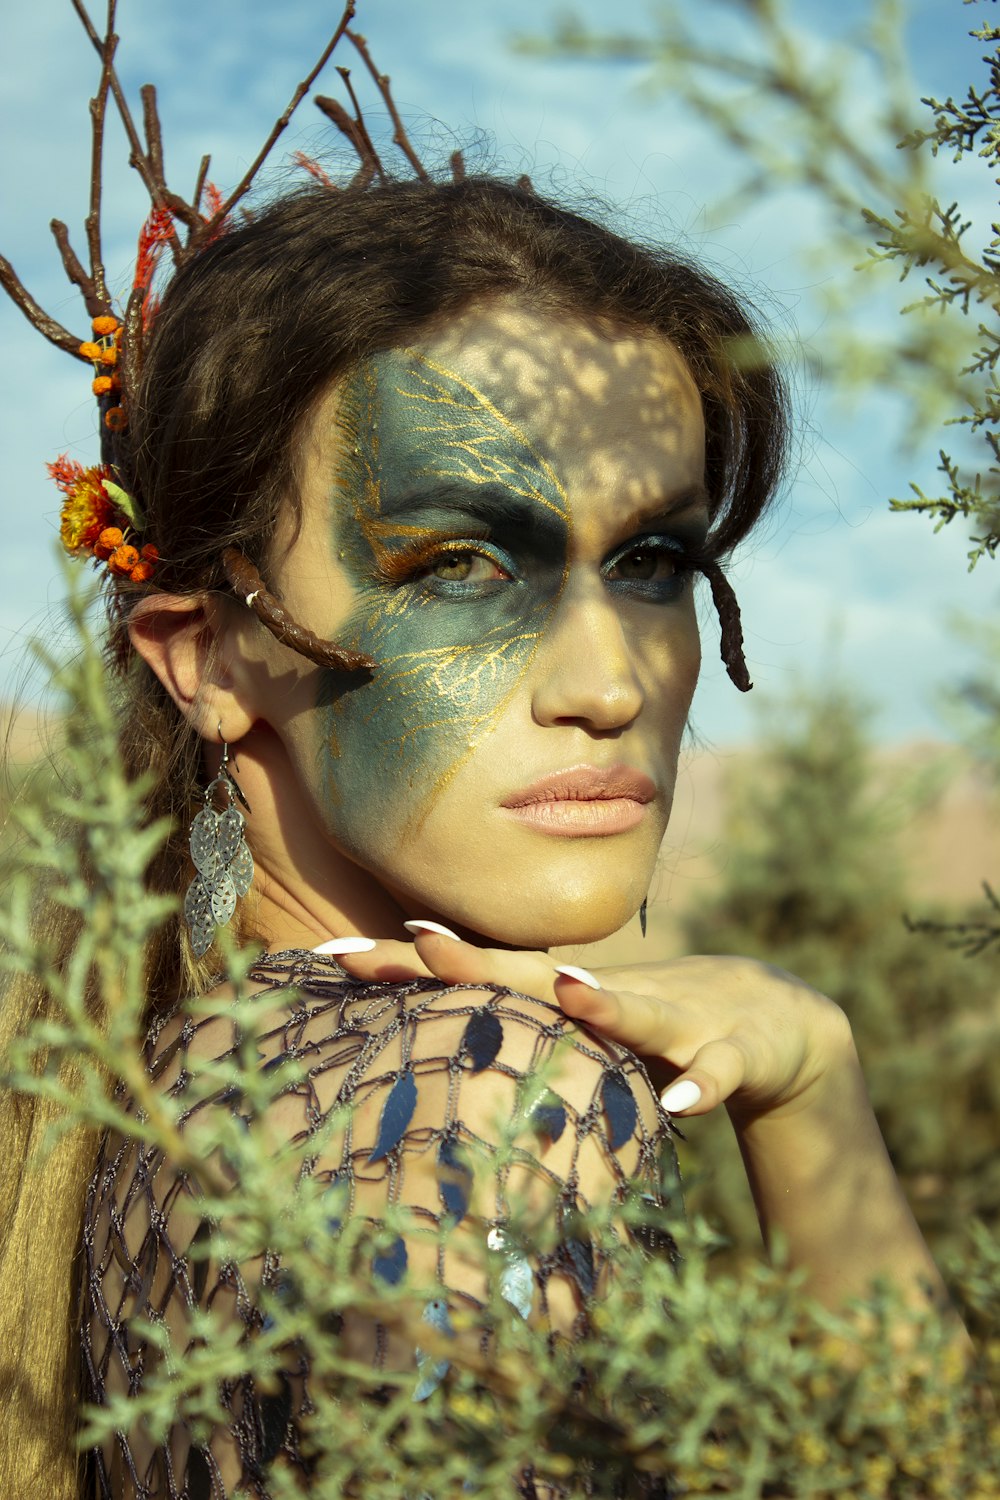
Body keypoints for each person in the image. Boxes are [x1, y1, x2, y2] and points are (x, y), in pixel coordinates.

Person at [0, 16, 959, 1500]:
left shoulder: (152, 1099)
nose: (608, 681)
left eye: (650, 558)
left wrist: (810, 1076)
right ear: (207, 657)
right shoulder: (489, 1096)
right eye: (458, 565)